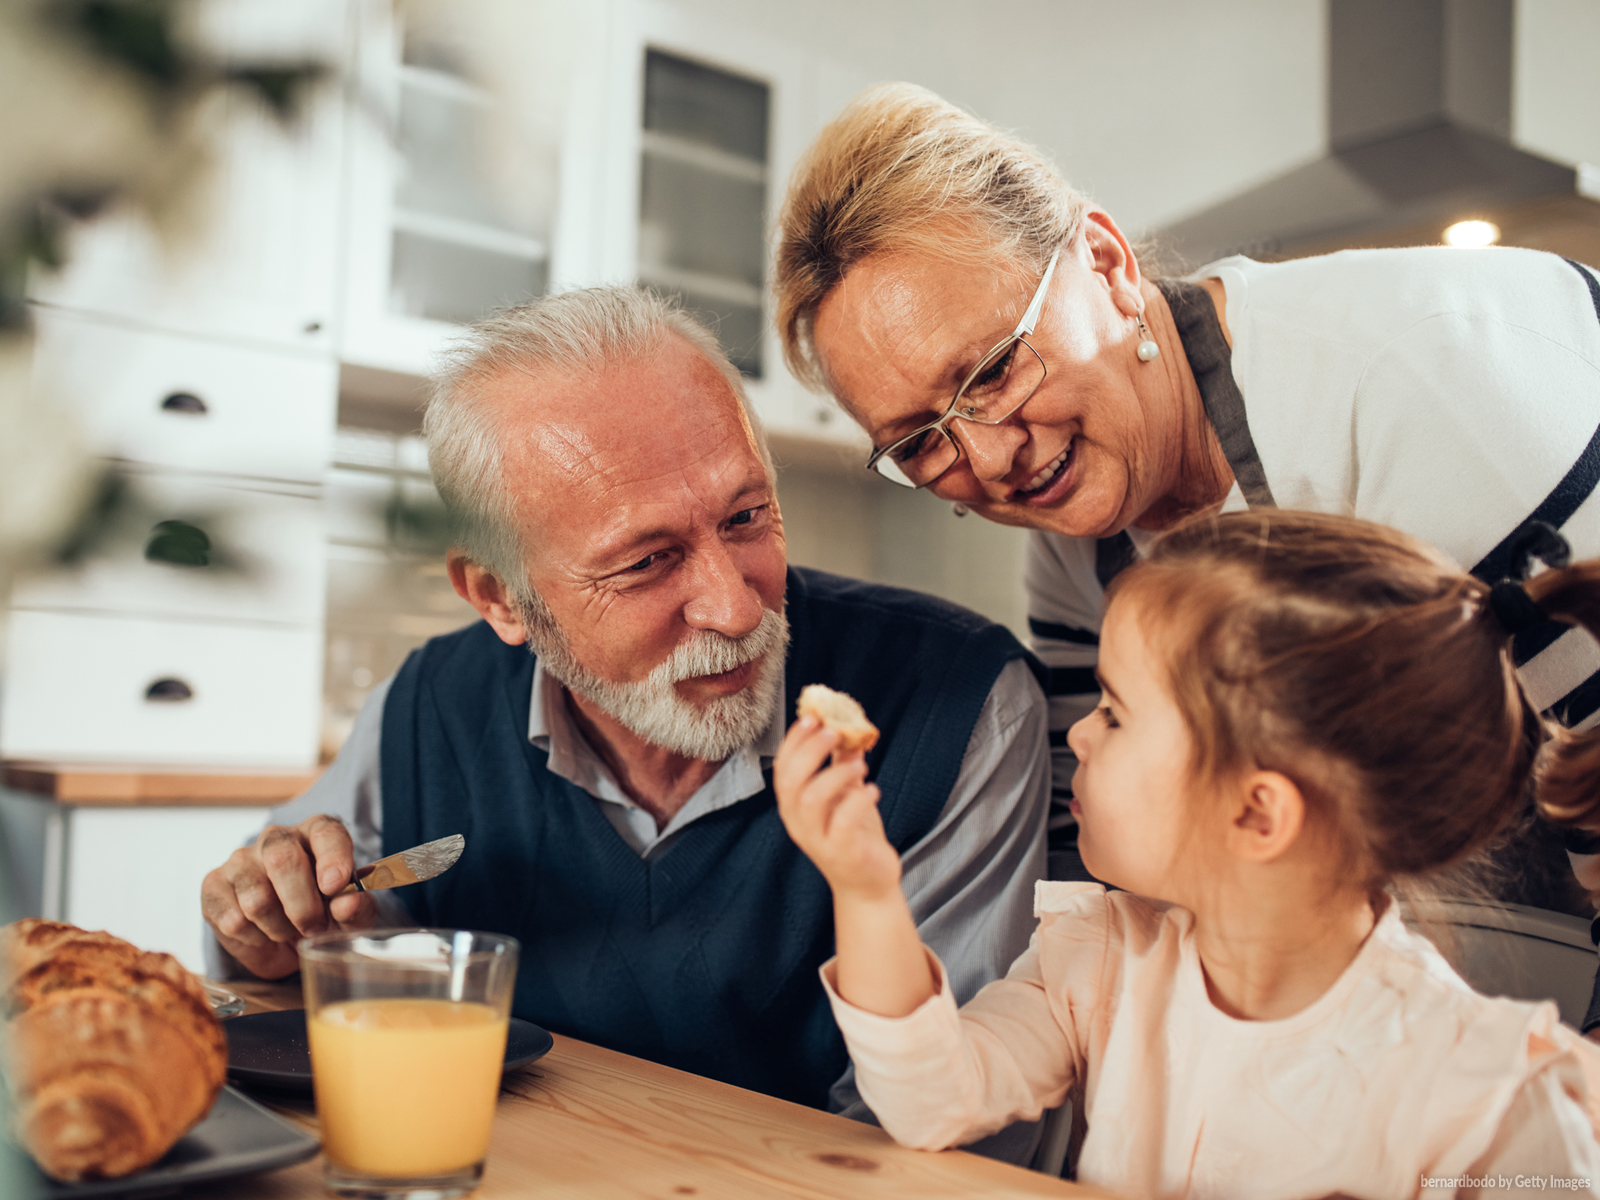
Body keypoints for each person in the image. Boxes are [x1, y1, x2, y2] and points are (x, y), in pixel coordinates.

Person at [199, 287, 1051, 1160]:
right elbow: (274, 966)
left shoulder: (959, 705)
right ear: (499, 596)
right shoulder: (428, 704)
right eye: (647, 562)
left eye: (747, 516)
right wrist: (263, 924)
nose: (732, 607)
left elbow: (953, 1144)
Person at [771, 82, 1600, 935]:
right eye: (919, 443)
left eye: (991, 372)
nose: (989, 460)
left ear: (1106, 263)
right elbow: (1098, 833)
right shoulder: (1079, 544)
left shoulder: (1420, 396)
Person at [776, 509, 1600, 1196]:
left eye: (1117, 712)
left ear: (1256, 811)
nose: (1081, 736)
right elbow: (930, 1101)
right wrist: (866, 890)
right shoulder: (1097, 957)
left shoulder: (1489, 1100)